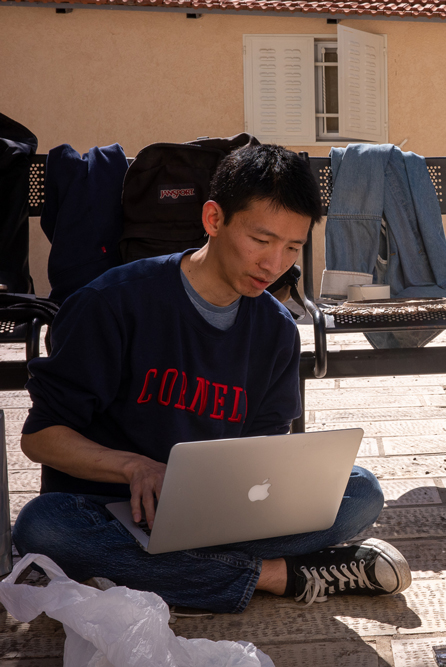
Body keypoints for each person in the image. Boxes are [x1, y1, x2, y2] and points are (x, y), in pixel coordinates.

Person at [12, 144, 410, 614]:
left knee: (359, 490)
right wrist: (135, 467)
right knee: (43, 527)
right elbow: (41, 438)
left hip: (216, 513)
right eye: (261, 240)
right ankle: (280, 575)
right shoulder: (112, 304)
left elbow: (262, 457)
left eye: (293, 248)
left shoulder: (276, 330)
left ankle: (154, 574)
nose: (274, 263)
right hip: (108, 508)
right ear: (214, 219)